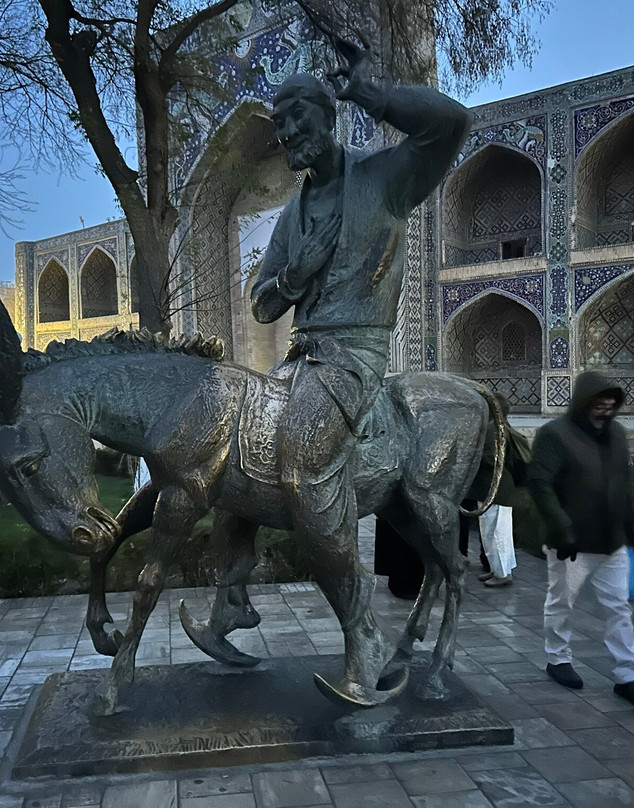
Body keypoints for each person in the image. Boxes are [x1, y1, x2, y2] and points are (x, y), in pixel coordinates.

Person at [246, 38, 472, 703]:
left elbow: (452, 124)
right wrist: (296, 271)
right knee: (234, 443)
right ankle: (231, 598)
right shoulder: (295, 212)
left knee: (300, 470)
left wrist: (371, 91)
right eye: (280, 125)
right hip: (302, 356)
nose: (288, 134)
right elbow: (263, 303)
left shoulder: (384, 181)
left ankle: (361, 633)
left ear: (327, 116)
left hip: (355, 356)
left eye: (298, 120)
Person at [528, 370, 634, 711]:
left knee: (619, 607)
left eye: (610, 405)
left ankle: (627, 675)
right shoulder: (554, 434)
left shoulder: (616, 435)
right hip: (571, 543)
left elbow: (622, 483)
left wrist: (630, 526)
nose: (604, 411)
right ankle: (558, 658)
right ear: (583, 403)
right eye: (598, 404)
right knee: (561, 603)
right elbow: (540, 484)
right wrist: (561, 528)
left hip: (611, 540)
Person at [472, 394, 525, 588]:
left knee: (497, 532)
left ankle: (502, 574)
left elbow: (491, 459)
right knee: (492, 531)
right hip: (495, 489)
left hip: (496, 490)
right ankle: (497, 569)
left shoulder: (492, 429)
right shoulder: (500, 427)